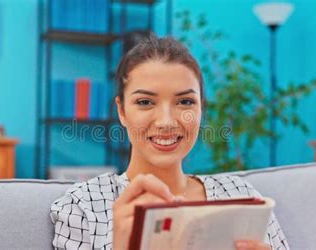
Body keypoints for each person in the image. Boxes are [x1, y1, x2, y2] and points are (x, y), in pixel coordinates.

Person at [50, 35, 289, 250]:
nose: (166, 122)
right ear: (121, 111)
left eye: (185, 102)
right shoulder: (83, 206)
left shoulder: (243, 197)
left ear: (201, 110)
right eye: (145, 102)